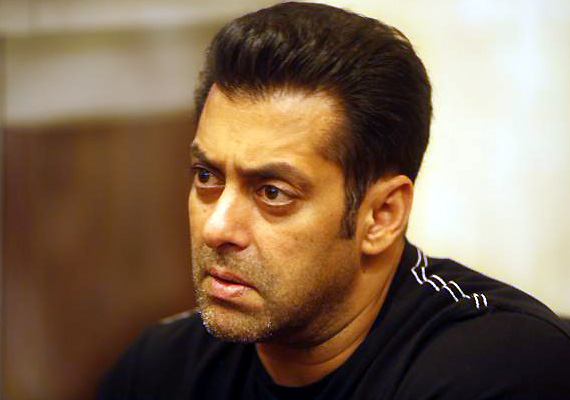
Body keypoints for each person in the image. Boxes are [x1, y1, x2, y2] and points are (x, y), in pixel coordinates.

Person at [97, 2, 570, 399]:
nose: (217, 228)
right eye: (207, 177)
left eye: (272, 193)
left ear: (381, 216)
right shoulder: (159, 368)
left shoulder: (495, 369)